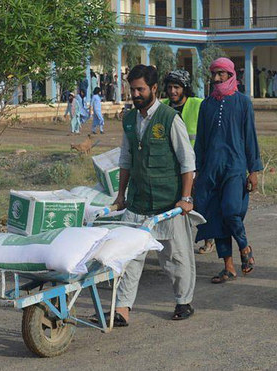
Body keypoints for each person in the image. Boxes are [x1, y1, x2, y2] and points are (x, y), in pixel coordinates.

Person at [111, 64, 198, 325]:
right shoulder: (129, 120)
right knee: (130, 258)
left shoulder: (170, 118)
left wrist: (186, 198)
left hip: (167, 202)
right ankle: (122, 309)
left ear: (154, 89)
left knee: (175, 258)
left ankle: (183, 301)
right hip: (138, 202)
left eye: (140, 89)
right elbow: (125, 160)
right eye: (132, 89)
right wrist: (120, 196)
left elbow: (187, 161)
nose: (135, 94)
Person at [193, 57, 263, 284]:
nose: (216, 78)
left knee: (231, 210)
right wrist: (195, 172)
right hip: (210, 170)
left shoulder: (243, 102)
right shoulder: (206, 105)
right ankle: (228, 267)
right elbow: (201, 141)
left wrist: (253, 170)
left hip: (235, 166)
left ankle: (244, 246)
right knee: (216, 216)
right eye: (214, 74)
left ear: (231, 74)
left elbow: (250, 137)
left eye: (221, 74)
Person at [160, 69, 215, 254]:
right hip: (172, 167)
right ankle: (178, 244)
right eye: (170, 87)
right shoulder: (163, 107)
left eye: (177, 87)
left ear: (185, 88)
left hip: (195, 165)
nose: (173, 91)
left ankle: (208, 238)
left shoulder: (198, 105)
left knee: (199, 204)